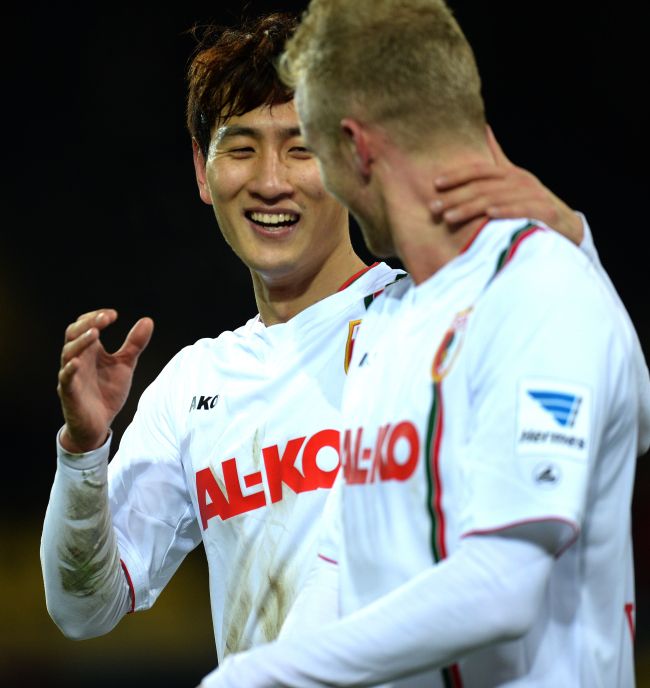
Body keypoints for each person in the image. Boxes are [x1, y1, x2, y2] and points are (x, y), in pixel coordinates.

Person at [40, 8, 593, 675]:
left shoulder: (427, 318)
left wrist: (574, 244)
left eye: (300, 148)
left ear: (346, 156)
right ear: (201, 169)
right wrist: (83, 452)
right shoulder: (193, 387)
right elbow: (84, 607)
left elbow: (595, 380)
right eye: (240, 148)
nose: (270, 181)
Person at [197, 1, 650, 687]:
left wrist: (258, 678)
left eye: (314, 151)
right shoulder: (393, 329)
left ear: (357, 148)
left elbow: (501, 585)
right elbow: (342, 564)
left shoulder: (538, 291)